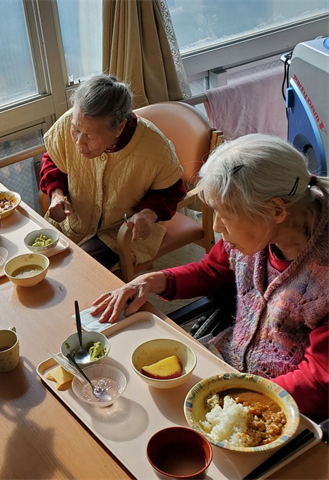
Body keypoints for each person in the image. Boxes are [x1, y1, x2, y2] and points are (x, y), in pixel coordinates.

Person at [91, 134, 329, 421]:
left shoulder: (322, 279)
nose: (216, 226)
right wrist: (155, 280)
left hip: (280, 404)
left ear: (276, 210)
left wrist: (233, 400)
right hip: (228, 365)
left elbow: (318, 382)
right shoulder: (256, 233)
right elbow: (211, 271)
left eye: (225, 215)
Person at [40, 74, 186, 269]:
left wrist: (148, 214)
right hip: (75, 220)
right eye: (75, 130)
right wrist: (57, 196)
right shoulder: (70, 122)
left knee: (75, 268)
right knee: (39, 258)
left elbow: (170, 191)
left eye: (90, 136)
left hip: (121, 231)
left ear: (119, 128)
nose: (79, 143)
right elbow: (54, 161)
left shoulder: (155, 148)